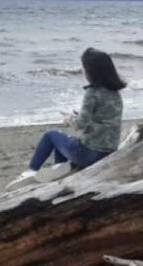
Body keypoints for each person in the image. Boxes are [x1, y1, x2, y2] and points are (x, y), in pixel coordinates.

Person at [7, 48, 126, 190]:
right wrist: (78, 115)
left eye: (84, 68)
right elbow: (103, 120)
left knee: (50, 135)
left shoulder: (92, 92)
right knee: (63, 141)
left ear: (91, 72)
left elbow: (80, 124)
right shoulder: (115, 93)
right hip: (108, 153)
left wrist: (69, 119)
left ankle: (30, 172)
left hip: (89, 154)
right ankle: (61, 169)